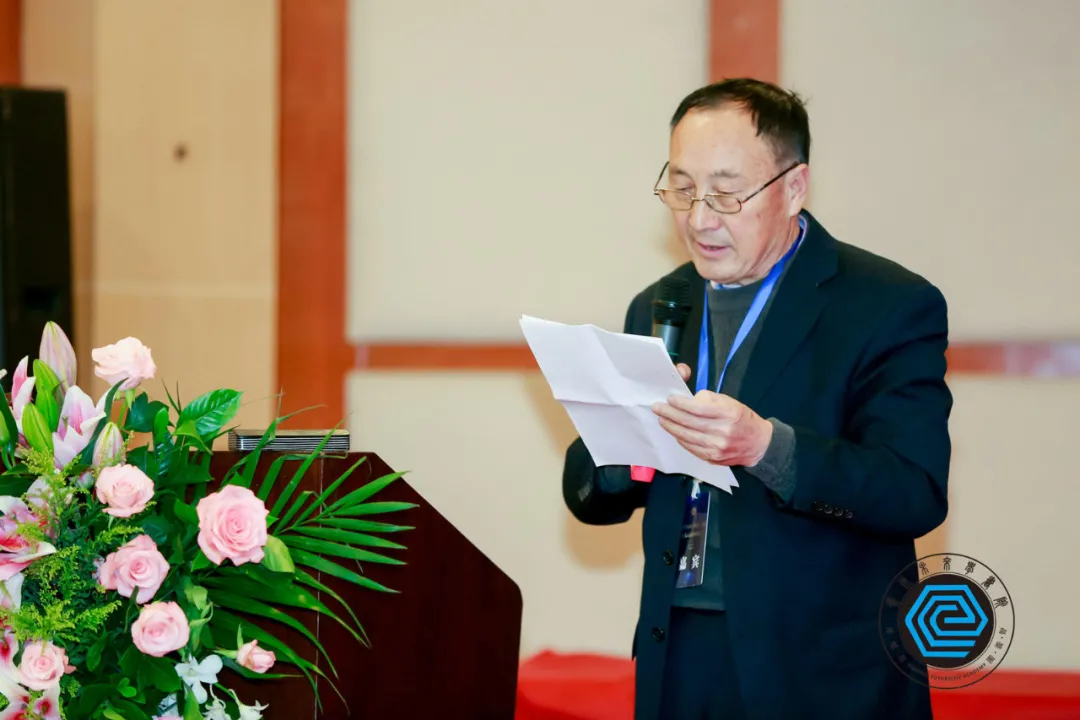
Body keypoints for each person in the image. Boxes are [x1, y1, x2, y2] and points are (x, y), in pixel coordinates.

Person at [561, 78, 951, 719]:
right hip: (679, 652)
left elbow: (913, 492)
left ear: (794, 188)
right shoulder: (661, 304)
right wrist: (631, 443)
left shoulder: (885, 304)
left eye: (726, 193)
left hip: (823, 672)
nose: (699, 219)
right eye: (682, 189)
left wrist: (767, 448)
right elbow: (591, 495)